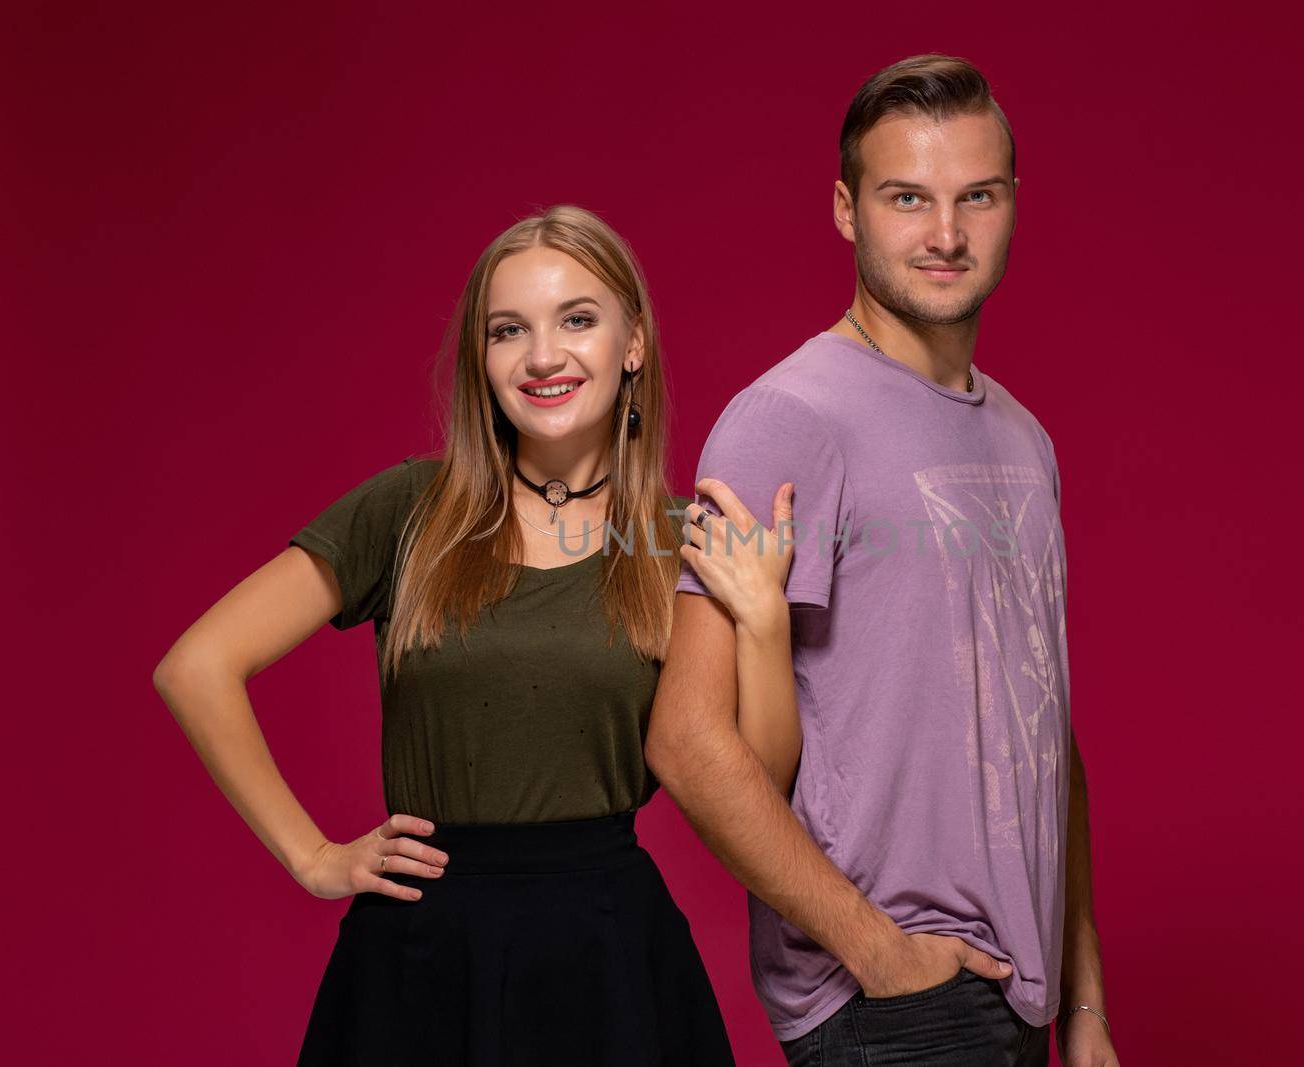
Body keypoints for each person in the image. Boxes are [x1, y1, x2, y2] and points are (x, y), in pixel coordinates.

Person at [152, 204, 737, 1065]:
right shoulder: (410, 510)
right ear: (482, 357)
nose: (543, 355)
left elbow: (752, 762)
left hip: (609, 957)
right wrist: (313, 856)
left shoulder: (681, 537)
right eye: (510, 330)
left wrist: (760, 612)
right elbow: (196, 666)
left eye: (577, 319)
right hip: (422, 951)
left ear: (634, 343)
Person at [645, 55, 1122, 1066]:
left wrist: (1083, 1004)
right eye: (907, 198)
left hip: (1019, 1001)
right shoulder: (786, 421)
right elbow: (688, 738)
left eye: (974, 197)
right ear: (845, 208)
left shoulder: (1025, 441)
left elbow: (1050, 740)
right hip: (893, 1001)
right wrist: (878, 950)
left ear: (1011, 205)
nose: (945, 235)